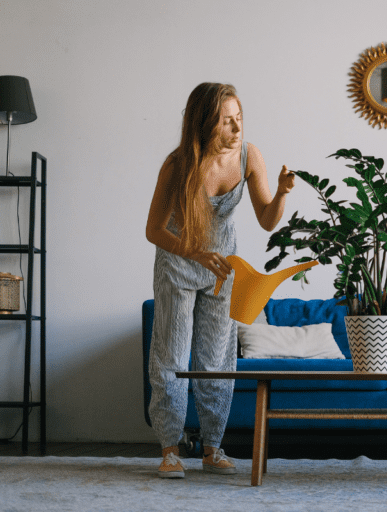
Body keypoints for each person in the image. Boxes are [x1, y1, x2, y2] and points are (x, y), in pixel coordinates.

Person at [145, 82, 295, 478]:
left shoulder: (249, 157)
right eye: (226, 122)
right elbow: (154, 230)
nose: (236, 129)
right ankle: (170, 450)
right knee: (172, 359)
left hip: (221, 273)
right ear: (204, 124)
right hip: (178, 267)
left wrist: (280, 193)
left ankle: (212, 448)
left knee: (216, 361)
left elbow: (267, 220)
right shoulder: (177, 164)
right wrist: (194, 252)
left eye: (239, 120)